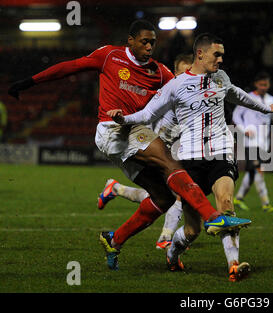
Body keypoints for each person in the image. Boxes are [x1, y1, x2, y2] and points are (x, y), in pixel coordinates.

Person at [7, 21, 251, 271]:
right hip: (112, 130)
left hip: (133, 134)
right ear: (130, 40)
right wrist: (29, 82)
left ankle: (114, 239)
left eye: (153, 42)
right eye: (144, 41)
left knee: (163, 197)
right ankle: (213, 217)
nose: (149, 46)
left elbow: (182, 89)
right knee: (170, 163)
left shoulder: (159, 72)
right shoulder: (109, 56)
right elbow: (71, 67)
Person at [107, 33, 273, 281]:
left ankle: (233, 265)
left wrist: (267, 108)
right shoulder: (175, 85)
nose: (221, 60)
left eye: (222, 55)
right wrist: (123, 119)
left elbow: (237, 94)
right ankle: (173, 253)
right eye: (217, 54)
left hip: (221, 153)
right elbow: (147, 114)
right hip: (189, 160)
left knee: (226, 205)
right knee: (192, 230)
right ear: (200, 54)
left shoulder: (221, 78)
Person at [98, 53, 194, 250]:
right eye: (182, 73)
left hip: (166, 149)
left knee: (161, 195)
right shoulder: (165, 94)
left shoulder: (191, 99)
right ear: (173, 74)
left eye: (189, 74)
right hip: (146, 146)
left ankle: (116, 190)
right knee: (176, 192)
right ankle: (165, 237)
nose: (186, 78)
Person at [232, 71, 273, 212]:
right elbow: (236, 116)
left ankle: (239, 198)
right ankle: (266, 203)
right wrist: (244, 129)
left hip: (263, 142)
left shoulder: (271, 99)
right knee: (259, 170)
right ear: (256, 84)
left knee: (253, 172)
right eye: (261, 84)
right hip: (250, 141)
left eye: (265, 84)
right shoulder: (248, 98)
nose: (263, 87)